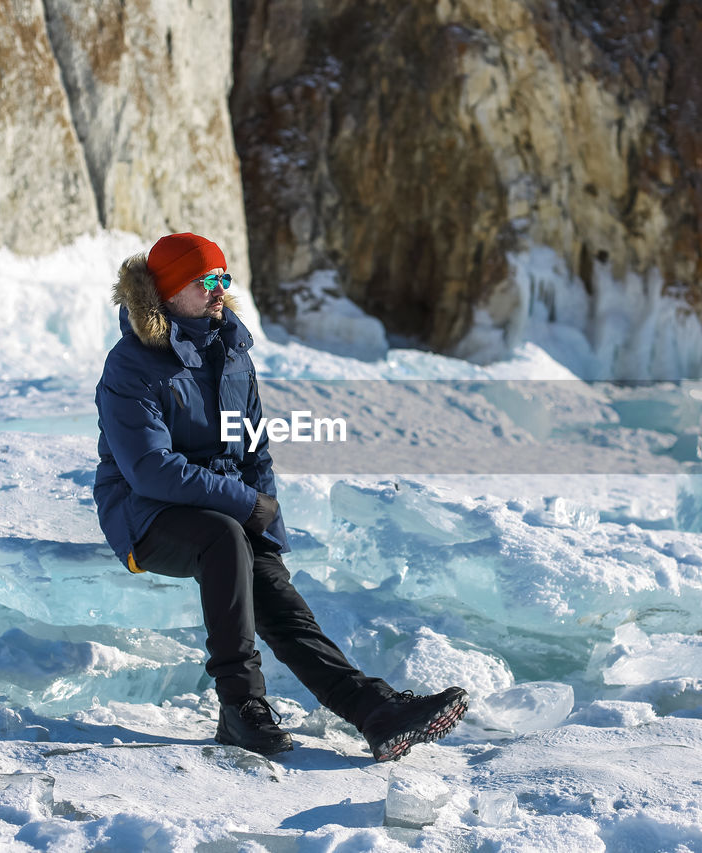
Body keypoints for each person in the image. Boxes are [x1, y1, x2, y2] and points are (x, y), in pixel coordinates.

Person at [92, 232, 467, 760]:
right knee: (222, 538)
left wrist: (265, 528)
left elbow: (252, 451)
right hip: (145, 516)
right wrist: (243, 506)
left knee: (278, 599)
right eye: (205, 281)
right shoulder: (132, 366)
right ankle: (239, 706)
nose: (219, 289)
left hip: (223, 510)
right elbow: (150, 469)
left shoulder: (232, 352)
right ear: (169, 291)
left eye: (223, 277)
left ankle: (373, 711)